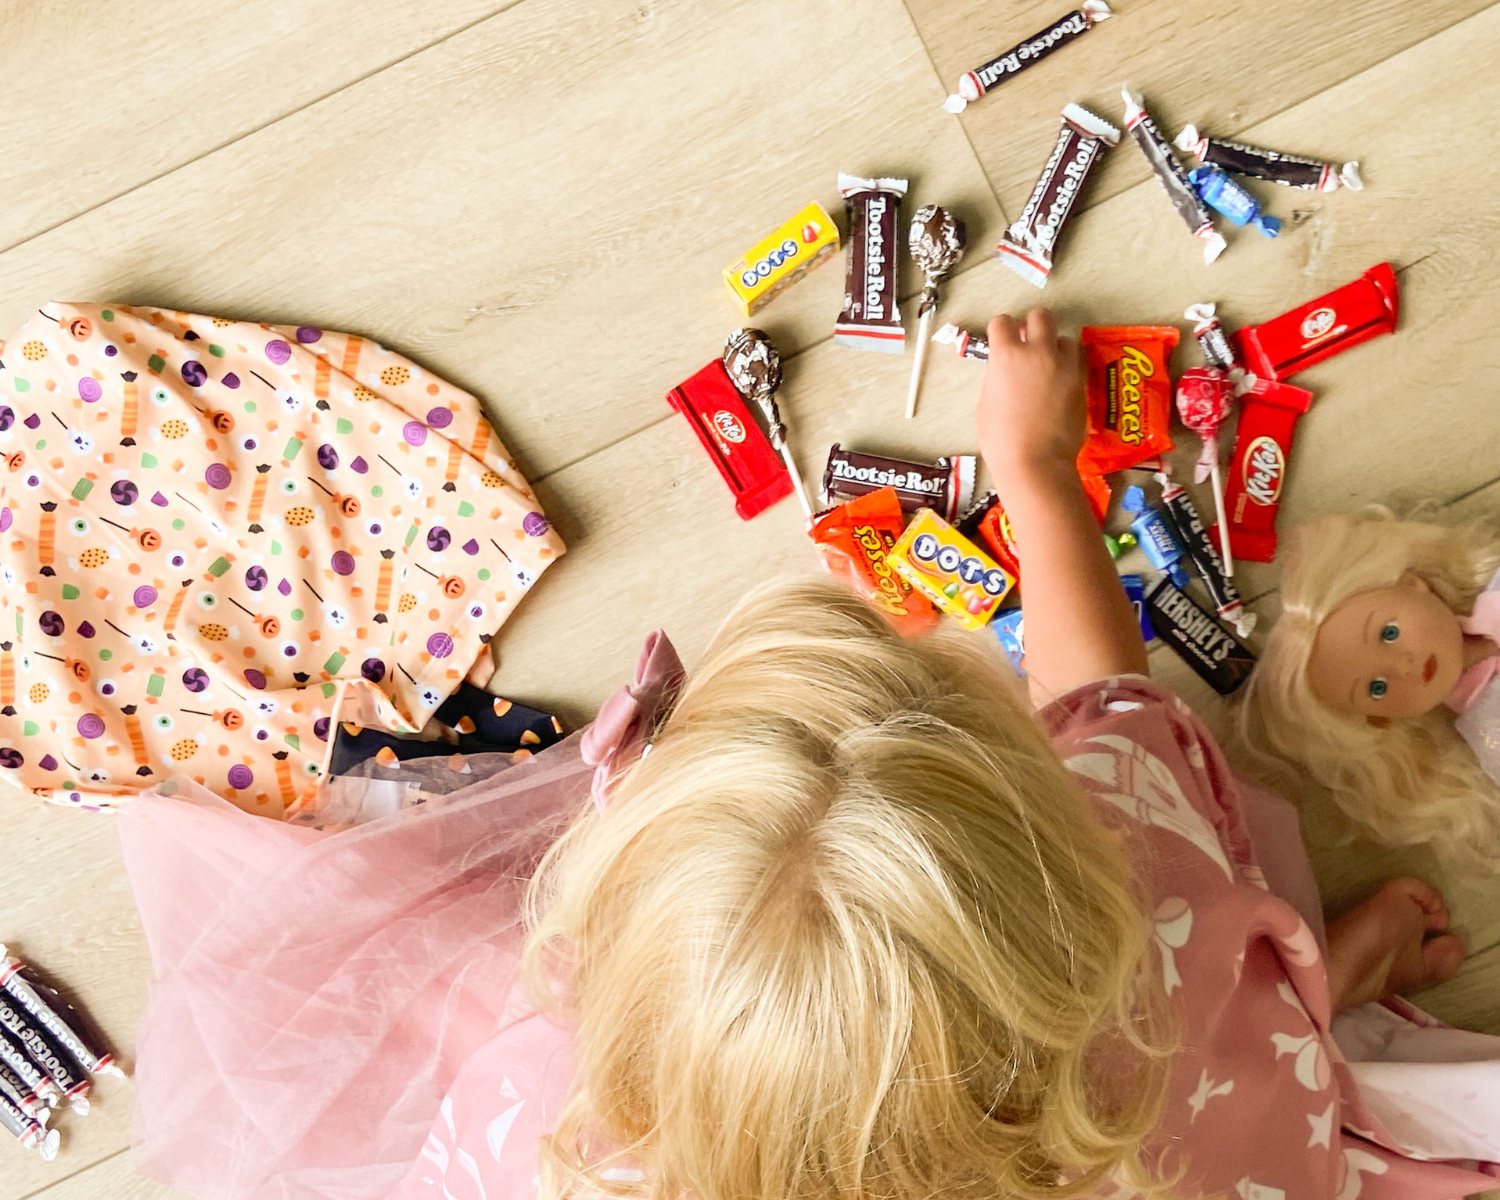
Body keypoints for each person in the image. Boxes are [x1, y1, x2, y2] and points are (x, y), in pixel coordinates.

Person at [118, 312, 1500, 1200]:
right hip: (1226, 1120)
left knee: (438, 984)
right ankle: (1324, 978)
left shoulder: (572, 1128)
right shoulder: (1148, 876)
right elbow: (1108, 694)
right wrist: (1034, 467)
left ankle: (1329, 981)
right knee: (1237, 983)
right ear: (1067, 854)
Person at [1237, 507, 1500, 868]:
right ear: (1382, 719)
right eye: (1377, 688)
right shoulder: (1490, 733)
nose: (1403, 667)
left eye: (1389, 633)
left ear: (1412, 585)